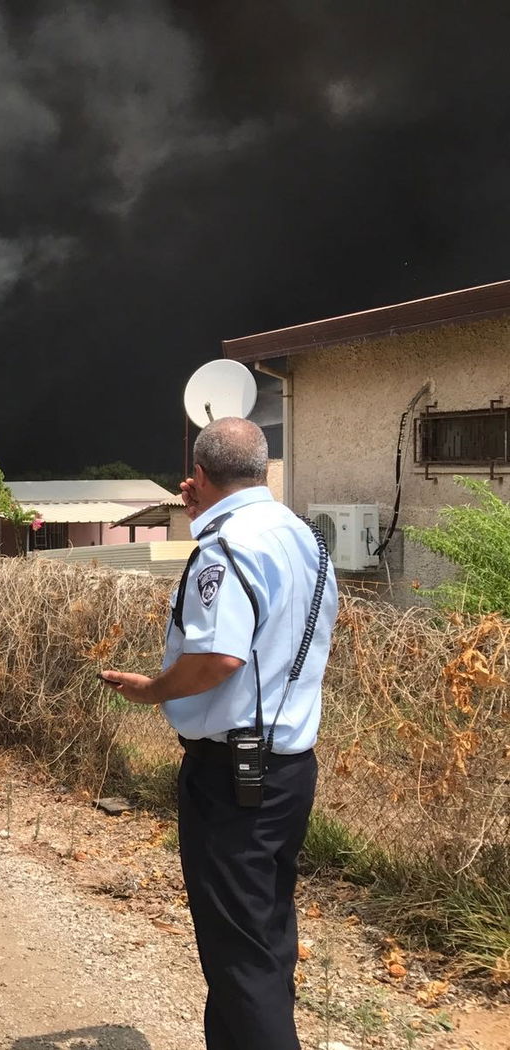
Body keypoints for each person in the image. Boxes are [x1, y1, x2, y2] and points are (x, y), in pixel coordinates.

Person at [100, 417, 337, 1050]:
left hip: (234, 775)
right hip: (288, 767)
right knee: (264, 937)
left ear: (198, 477)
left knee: (239, 958)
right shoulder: (306, 538)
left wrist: (153, 690)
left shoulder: (225, 548)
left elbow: (218, 658)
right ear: (261, 470)